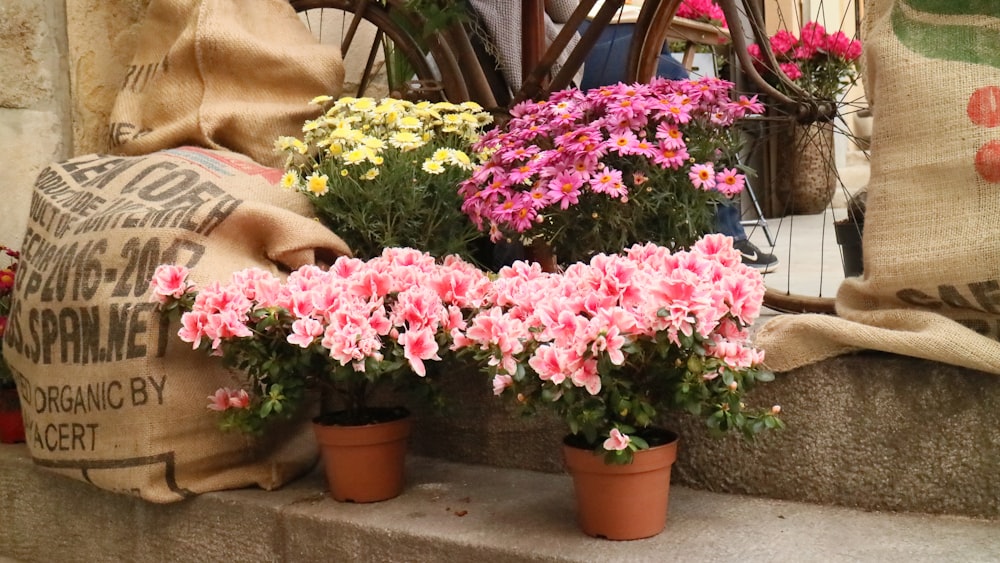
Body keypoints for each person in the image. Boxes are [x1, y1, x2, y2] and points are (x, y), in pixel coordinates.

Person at [579, 13, 779, 271]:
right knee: (674, 81)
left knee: (669, 76)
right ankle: (724, 238)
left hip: (621, 25)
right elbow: (562, 9)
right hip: (569, 36)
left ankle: (711, 237)